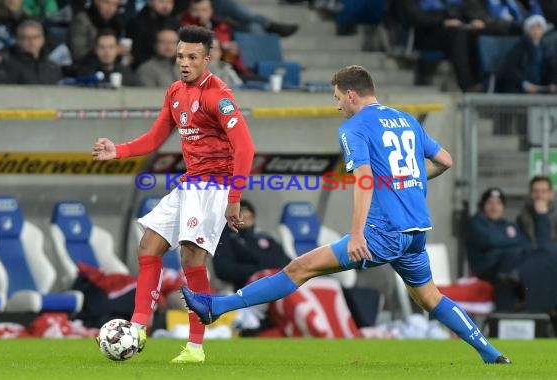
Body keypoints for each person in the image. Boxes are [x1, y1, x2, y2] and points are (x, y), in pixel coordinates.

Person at [182, 64, 511, 364]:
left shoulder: (355, 127)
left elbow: (364, 180)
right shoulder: (406, 119)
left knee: (300, 268)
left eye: (338, 97)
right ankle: (491, 354)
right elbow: (445, 161)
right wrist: (409, 181)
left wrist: (357, 234)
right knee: (430, 298)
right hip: (415, 231)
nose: (337, 104)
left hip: (382, 232)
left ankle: (214, 307)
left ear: (351, 94)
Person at [92, 25, 255, 363]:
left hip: (215, 187)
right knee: (148, 246)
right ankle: (138, 328)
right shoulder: (175, 92)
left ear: (207, 59)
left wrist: (234, 198)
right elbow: (154, 138)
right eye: (180, 55)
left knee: (190, 260)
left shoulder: (219, 96)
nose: (184, 62)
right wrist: (118, 151)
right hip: (191, 182)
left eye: (192, 57)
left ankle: (195, 346)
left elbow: (246, 148)